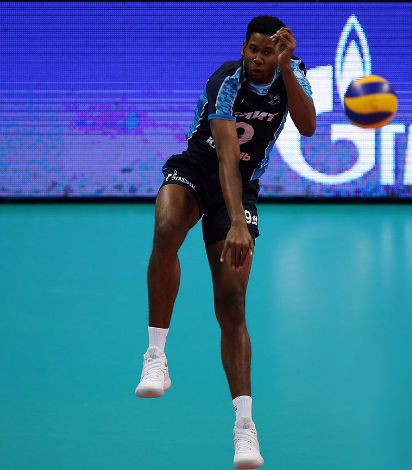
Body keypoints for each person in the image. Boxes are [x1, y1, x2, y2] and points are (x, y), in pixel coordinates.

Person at [134, 15, 316, 470]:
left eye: (268, 51)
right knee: (166, 228)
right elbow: (225, 158)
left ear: (280, 53)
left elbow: (308, 126)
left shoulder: (293, 74)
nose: (258, 58)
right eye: (252, 49)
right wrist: (236, 222)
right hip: (198, 171)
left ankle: (244, 427)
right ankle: (155, 355)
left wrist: (288, 67)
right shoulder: (227, 81)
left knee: (232, 301)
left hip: (244, 187)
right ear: (243, 48)